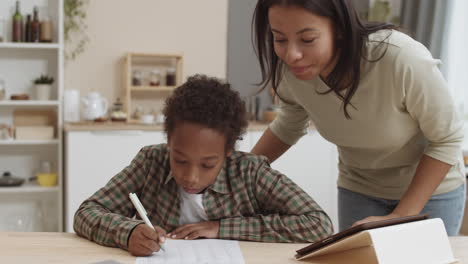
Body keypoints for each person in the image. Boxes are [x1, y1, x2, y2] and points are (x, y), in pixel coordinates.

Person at [251, 0, 466, 235]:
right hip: (360, 190)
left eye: (308, 39)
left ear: (340, 29)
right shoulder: (293, 72)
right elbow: (289, 124)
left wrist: (403, 214)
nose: (292, 55)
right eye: (280, 39)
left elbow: (447, 139)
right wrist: (238, 172)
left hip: (431, 194)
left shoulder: (399, 58)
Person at [73, 75, 333, 256]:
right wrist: (127, 233)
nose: (191, 177)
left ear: (228, 152)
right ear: (169, 143)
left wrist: (221, 228)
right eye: (180, 160)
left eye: (208, 164)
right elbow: (86, 213)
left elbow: (318, 224)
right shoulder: (151, 163)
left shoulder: (249, 172)